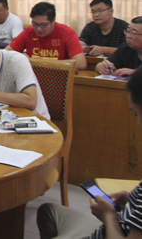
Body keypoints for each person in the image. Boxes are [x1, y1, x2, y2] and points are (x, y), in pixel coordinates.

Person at [37, 66, 142, 239]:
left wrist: (108, 217)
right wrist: (131, 198)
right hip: (120, 223)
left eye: (137, 114)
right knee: (48, 211)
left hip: (112, 229)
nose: (138, 123)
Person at [7, 1, 86, 70]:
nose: (39, 29)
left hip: (58, 76)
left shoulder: (67, 33)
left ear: (53, 20)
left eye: (43, 25)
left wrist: (44, 62)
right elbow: (6, 53)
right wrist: (21, 57)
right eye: (35, 24)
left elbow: (81, 63)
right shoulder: (29, 32)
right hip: (34, 76)